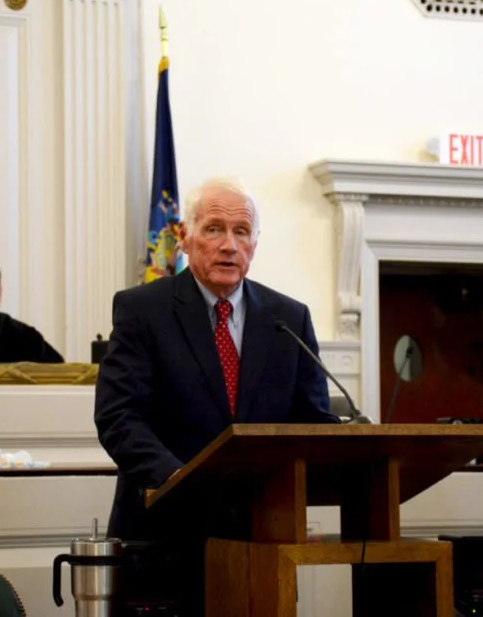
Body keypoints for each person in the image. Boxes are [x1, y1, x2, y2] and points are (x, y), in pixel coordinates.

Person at [94, 178, 340, 612]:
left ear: (255, 245)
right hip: (164, 532)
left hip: (260, 536)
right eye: (213, 229)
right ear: (185, 238)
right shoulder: (143, 309)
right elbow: (119, 415)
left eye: (241, 232)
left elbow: (312, 420)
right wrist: (181, 481)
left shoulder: (289, 318)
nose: (229, 245)